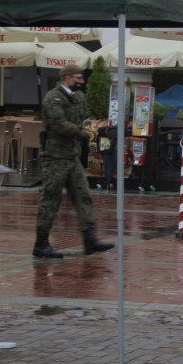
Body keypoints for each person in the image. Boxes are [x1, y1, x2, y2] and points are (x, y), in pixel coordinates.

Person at [32, 63, 114, 258]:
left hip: (72, 155)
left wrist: (81, 133)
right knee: (51, 199)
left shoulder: (78, 97)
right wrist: (80, 133)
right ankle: (41, 243)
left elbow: (80, 119)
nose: (82, 82)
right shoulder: (53, 98)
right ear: (67, 78)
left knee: (83, 195)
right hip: (55, 157)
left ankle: (89, 239)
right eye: (78, 78)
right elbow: (58, 123)